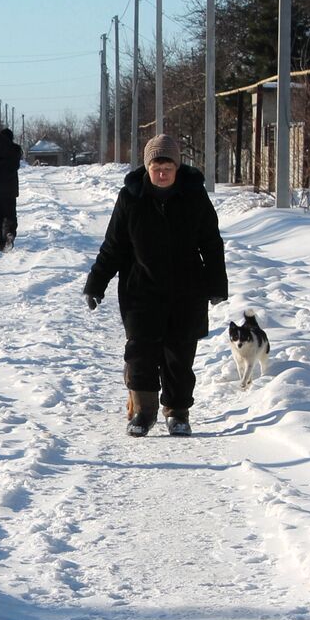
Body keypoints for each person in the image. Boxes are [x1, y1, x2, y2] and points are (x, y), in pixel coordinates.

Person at [83, 134, 228, 437]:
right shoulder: (130, 198)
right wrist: (96, 283)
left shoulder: (195, 196)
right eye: (156, 168)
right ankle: (143, 413)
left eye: (168, 168)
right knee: (141, 353)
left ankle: (177, 412)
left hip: (186, 290)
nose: (162, 174)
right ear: (147, 168)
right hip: (140, 290)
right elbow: (114, 246)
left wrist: (216, 286)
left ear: (177, 168)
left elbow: (212, 244)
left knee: (179, 356)